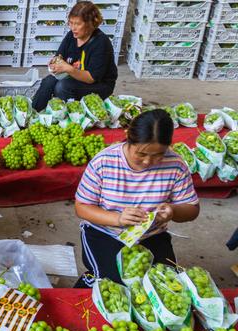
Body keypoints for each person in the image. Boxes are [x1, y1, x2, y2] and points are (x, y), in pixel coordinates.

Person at [74, 109, 200, 287]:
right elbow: (82, 207)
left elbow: (192, 209)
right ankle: (87, 284)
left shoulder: (176, 166)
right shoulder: (103, 162)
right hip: (105, 233)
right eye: (141, 154)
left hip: (150, 235)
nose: (148, 162)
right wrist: (117, 219)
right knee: (113, 284)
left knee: (164, 285)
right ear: (128, 139)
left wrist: (174, 211)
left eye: (158, 155)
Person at [31, 1, 118, 112]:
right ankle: (34, 113)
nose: (73, 28)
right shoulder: (71, 36)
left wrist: (68, 68)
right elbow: (60, 56)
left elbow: (91, 78)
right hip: (75, 77)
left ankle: (72, 117)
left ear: (90, 24)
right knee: (49, 81)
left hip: (100, 85)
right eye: (71, 23)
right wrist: (55, 62)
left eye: (77, 24)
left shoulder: (101, 43)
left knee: (62, 87)